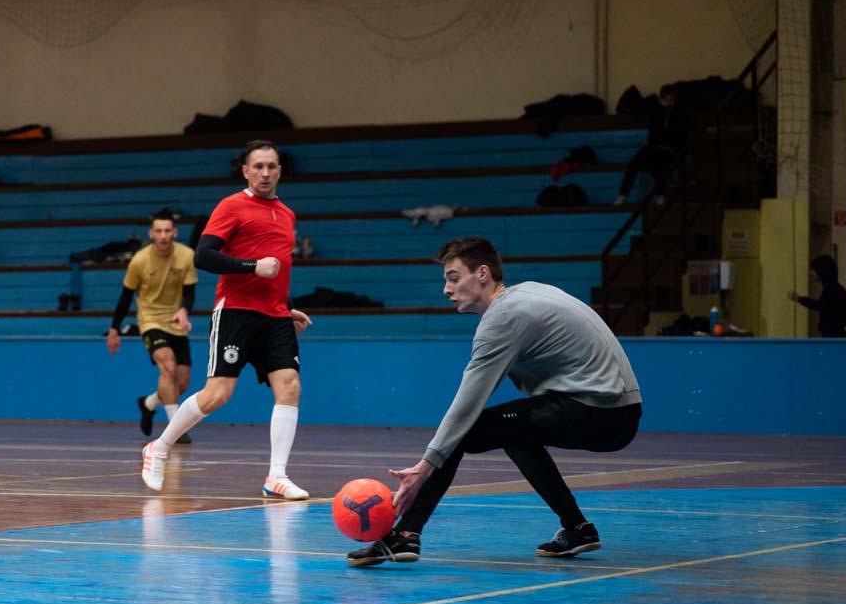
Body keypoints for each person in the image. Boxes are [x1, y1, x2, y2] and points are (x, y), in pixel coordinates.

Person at [346, 236, 643, 568]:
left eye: (454, 278)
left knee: (465, 431)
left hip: (600, 410)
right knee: (513, 431)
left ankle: (406, 534)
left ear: (483, 274)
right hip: (617, 410)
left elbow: (467, 404)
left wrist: (424, 468)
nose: (446, 289)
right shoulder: (525, 294)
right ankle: (577, 528)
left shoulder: (503, 318)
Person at [140, 141, 313, 499]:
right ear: (246, 171)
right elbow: (203, 256)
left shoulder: (287, 214)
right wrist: (252, 266)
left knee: (290, 386)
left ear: (280, 171)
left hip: (275, 315)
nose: (265, 173)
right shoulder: (231, 205)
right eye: (258, 166)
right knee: (218, 394)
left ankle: (276, 476)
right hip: (236, 310)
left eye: (272, 166)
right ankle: (160, 446)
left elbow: (278, 269)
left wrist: (287, 304)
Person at [106, 208, 198, 443]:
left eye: (168, 231)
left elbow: (189, 292)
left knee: (181, 383)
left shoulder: (186, 256)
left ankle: (148, 403)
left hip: (176, 321)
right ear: (151, 233)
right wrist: (114, 329)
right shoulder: (140, 260)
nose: (164, 236)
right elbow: (125, 296)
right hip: (150, 320)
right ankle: (176, 430)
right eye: (159, 231)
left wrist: (184, 309)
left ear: (175, 232)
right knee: (168, 365)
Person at [614, 85, 693, 206]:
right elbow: (653, 130)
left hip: (669, 149)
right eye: (668, 98)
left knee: (657, 163)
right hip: (653, 146)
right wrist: (662, 109)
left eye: (672, 98)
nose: (670, 101)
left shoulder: (679, 112)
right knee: (634, 162)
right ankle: (623, 194)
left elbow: (680, 135)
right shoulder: (656, 110)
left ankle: (661, 194)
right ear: (663, 98)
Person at [789, 254, 846, 338]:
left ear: (821, 271)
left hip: (833, 338)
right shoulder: (835, 288)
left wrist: (799, 299)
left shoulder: (832, 289)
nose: (811, 273)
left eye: (813, 270)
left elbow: (819, 305)